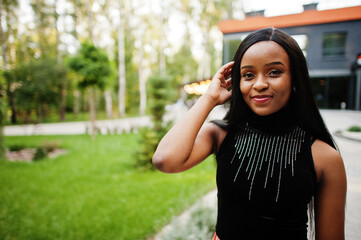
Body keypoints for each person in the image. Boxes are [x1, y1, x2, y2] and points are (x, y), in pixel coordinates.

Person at [152, 28, 347, 240]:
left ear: (295, 78)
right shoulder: (220, 135)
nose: (260, 84)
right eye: (248, 75)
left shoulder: (324, 157)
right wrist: (209, 98)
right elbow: (165, 160)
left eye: (274, 72)